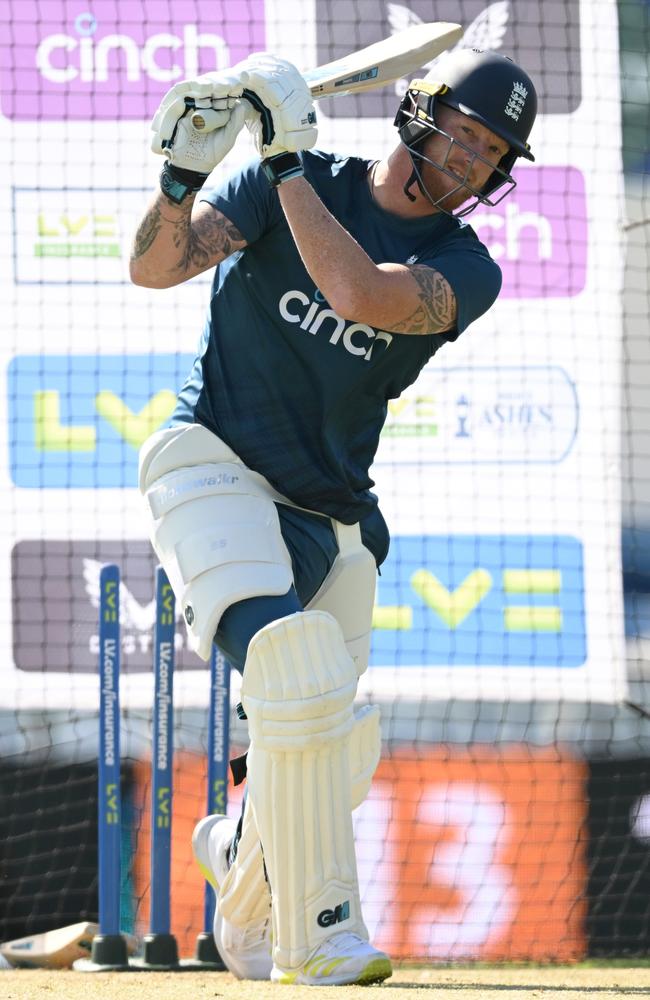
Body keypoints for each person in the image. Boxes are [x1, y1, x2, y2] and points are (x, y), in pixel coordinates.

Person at [130, 47, 537, 985]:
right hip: (212, 461)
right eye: (466, 135)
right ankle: (323, 937)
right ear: (420, 114)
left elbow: (361, 294)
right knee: (293, 666)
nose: (474, 161)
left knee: (332, 745)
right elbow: (156, 267)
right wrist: (181, 177)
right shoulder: (302, 178)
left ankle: (242, 872)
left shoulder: (464, 267)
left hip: (336, 516)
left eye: (492, 154)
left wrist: (282, 167)